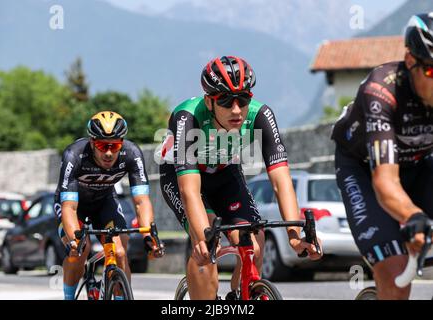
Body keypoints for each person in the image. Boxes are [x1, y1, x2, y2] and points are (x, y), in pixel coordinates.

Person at [159, 56, 322, 300]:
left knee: (254, 244)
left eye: (243, 99)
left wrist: (294, 236)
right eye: (226, 101)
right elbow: (189, 191)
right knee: (207, 249)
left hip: (224, 172)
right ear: (209, 101)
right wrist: (202, 237)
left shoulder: (261, 115)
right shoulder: (187, 117)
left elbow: (281, 181)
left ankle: (239, 296)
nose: (236, 109)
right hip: (183, 177)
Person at [331, 13, 433, 300]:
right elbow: (385, 182)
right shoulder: (382, 90)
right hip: (364, 170)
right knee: (395, 273)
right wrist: (413, 216)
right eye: (432, 72)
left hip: (419, 164)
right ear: (411, 61)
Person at [54, 111, 163, 300]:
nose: (109, 152)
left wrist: (148, 235)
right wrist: (74, 240)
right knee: (81, 249)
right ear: (91, 142)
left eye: (115, 145)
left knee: (119, 252)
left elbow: (141, 201)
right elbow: (69, 207)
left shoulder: (132, 153)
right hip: (74, 205)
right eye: (102, 145)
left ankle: (119, 294)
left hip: (104, 202)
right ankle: (68, 297)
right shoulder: (74, 154)